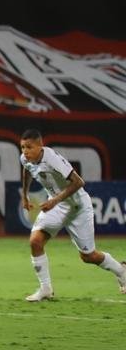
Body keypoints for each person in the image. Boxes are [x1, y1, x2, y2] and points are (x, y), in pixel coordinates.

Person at [18, 129, 126, 301]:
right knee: (35, 242)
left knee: (88, 256)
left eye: (29, 147)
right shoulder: (25, 159)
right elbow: (26, 171)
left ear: (40, 145)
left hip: (77, 207)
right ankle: (45, 289)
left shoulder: (52, 159)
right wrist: (25, 196)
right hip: (56, 206)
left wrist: (55, 200)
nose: (25, 151)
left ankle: (121, 270)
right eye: (22, 147)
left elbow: (79, 182)